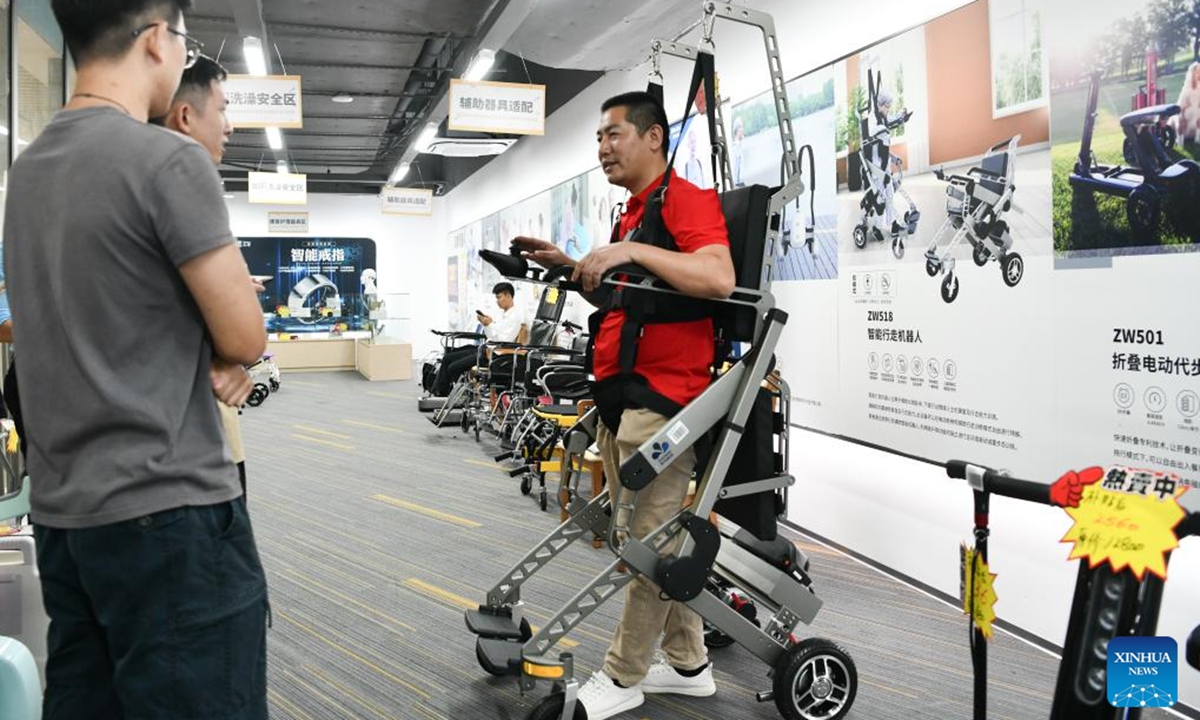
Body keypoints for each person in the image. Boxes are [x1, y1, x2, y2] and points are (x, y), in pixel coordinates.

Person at [4, 2, 269, 718]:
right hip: (170, 510)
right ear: (157, 39)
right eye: (183, 42)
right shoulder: (167, 159)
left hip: (65, 519)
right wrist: (225, 342)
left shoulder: (26, 174)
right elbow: (245, 339)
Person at [513, 90, 735, 720]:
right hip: (622, 399)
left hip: (662, 403)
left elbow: (717, 277)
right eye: (599, 139)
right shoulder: (634, 215)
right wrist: (568, 266)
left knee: (650, 547)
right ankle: (689, 665)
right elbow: (630, 304)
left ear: (654, 137)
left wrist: (631, 252)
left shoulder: (684, 202)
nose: (603, 148)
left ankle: (622, 675)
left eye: (614, 135)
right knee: (645, 543)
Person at [153, 53, 262, 495]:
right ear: (184, 115)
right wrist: (223, 350)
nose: (230, 125)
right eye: (221, 109)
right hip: (188, 448)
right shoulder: (181, 180)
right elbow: (246, 340)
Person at [431, 281, 524, 396]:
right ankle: (439, 392)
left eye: (499, 297)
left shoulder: (515, 317)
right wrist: (489, 324)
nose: (497, 301)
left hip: (491, 354)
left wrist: (489, 324)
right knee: (448, 357)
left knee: (453, 367)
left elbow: (503, 340)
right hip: (485, 348)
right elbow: (493, 334)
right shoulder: (503, 315)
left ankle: (452, 395)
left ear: (508, 296)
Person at [1177, 61, 1200, 147]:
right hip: (1186, 112)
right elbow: (1182, 105)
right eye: (1197, 72)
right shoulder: (1187, 88)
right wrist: (1182, 116)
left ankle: (1197, 138)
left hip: (1197, 111)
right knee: (1182, 118)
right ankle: (1180, 141)